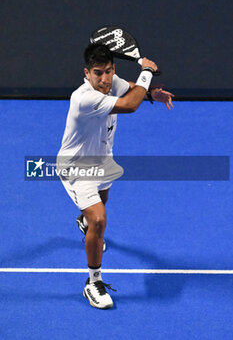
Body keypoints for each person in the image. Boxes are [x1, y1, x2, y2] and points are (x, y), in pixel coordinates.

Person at [57, 43, 174, 309]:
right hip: (77, 167)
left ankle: (84, 222)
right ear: (86, 73)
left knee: (103, 198)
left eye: (108, 72)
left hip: (102, 158)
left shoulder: (111, 82)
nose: (104, 79)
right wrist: (147, 72)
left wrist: (152, 92)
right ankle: (93, 283)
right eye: (98, 73)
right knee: (99, 219)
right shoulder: (84, 97)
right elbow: (130, 104)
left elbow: (130, 88)